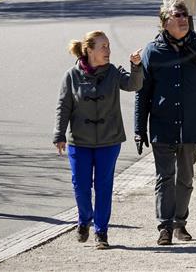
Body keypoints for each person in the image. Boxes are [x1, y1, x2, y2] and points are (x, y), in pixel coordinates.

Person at [134, 0, 196, 246]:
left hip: (191, 126)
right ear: (165, 21)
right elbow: (143, 93)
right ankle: (164, 227)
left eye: (185, 15)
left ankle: (180, 223)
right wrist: (139, 130)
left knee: (185, 178)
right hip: (162, 126)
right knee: (164, 177)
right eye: (178, 15)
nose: (183, 19)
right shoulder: (152, 51)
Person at [53, 31, 143, 249]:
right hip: (79, 142)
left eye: (109, 46)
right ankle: (84, 219)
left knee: (103, 187)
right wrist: (59, 134)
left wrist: (136, 66)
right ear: (89, 50)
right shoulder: (72, 75)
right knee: (80, 186)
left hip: (109, 141)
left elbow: (133, 85)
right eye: (103, 47)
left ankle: (101, 232)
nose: (108, 51)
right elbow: (63, 106)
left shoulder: (112, 72)